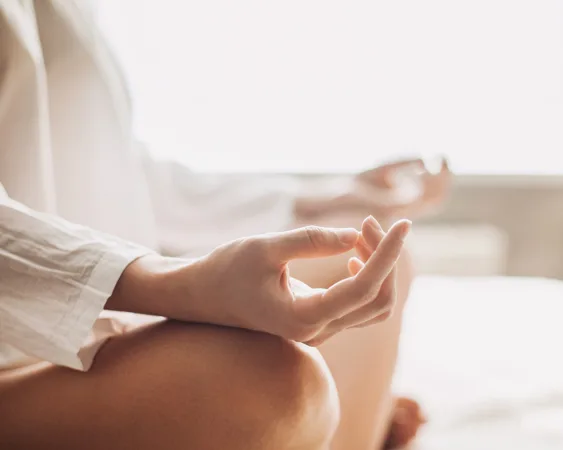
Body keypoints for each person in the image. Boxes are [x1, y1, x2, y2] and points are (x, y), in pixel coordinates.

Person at [0, 1, 451, 449]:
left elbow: (110, 170)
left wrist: (322, 199)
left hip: (82, 327)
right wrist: (172, 284)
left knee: (359, 257)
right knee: (275, 383)